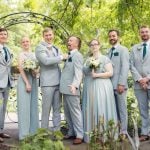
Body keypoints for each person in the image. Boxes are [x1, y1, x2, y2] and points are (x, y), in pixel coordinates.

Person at [82, 39, 118, 143]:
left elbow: (110, 73)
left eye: (95, 44)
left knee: (101, 106)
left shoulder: (105, 58)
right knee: (90, 107)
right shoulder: (88, 60)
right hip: (89, 86)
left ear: (99, 45)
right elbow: (84, 72)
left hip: (102, 86)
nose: (94, 46)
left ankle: (104, 134)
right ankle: (92, 135)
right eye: (91, 45)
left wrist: (97, 75)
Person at [35, 27, 67, 131]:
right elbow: (46, 61)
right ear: (43, 36)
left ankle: (57, 131)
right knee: (46, 109)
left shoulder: (56, 48)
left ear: (53, 35)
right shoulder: (39, 48)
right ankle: (43, 132)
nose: (49, 37)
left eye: (50, 35)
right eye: (46, 35)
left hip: (58, 82)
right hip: (47, 83)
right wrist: (61, 57)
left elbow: (62, 62)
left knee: (57, 109)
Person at [60, 36, 84, 145]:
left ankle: (79, 135)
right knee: (67, 112)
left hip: (72, 89)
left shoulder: (77, 55)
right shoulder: (69, 55)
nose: (68, 42)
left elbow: (79, 73)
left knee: (75, 112)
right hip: (65, 89)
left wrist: (75, 85)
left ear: (77, 44)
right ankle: (71, 132)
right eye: (68, 40)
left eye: (71, 41)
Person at [107, 29, 129, 138]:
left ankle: (123, 132)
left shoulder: (123, 50)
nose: (112, 38)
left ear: (118, 37)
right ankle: (116, 130)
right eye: (110, 36)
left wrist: (121, 84)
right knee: (114, 110)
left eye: (114, 36)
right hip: (110, 86)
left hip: (120, 86)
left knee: (122, 109)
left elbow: (125, 67)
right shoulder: (108, 52)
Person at [130, 25, 150, 142]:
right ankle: (144, 132)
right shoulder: (134, 48)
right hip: (139, 84)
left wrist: (147, 78)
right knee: (142, 110)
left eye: (146, 32)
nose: (144, 34)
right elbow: (131, 65)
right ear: (139, 34)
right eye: (142, 32)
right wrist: (140, 79)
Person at [17, 36, 39, 140]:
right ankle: (24, 135)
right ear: (21, 44)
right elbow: (21, 70)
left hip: (33, 81)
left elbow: (36, 71)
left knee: (33, 107)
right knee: (24, 108)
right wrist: (27, 83)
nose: (25, 43)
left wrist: (35, 71)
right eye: (23, 42)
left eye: (27, 41)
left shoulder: (34, 54)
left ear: (30, 42)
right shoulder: (21, 54)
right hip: (24, 81)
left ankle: (33, 132)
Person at [0, 27, 13, 142]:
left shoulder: (7, 49)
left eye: (5, 34)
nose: (4, 36)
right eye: (1, 34)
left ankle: (1, 131)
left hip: (7, 82)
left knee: (3, 108)